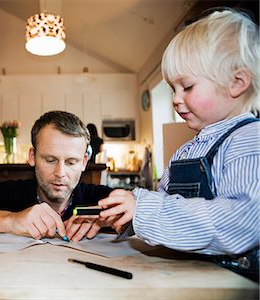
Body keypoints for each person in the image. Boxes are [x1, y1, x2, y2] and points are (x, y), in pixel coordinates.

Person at [98, 9, 259, 281]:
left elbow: (242, 221)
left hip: (235, 282)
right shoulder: (187, 150)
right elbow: (166, 203)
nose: (175, 99)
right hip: (192, 272)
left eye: (187, 87)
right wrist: (130, 217)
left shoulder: (249, 139)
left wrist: (146, 210)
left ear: (237, 83)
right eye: (173, 89)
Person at [0, 111, 113, 242]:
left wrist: (125, 214)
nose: (60, 173)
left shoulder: (99, 198)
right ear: (32, 157)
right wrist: (11, 220)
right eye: (50, 160)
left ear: (84, 162)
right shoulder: (10, 193)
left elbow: (135, 208)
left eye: (71, 162)